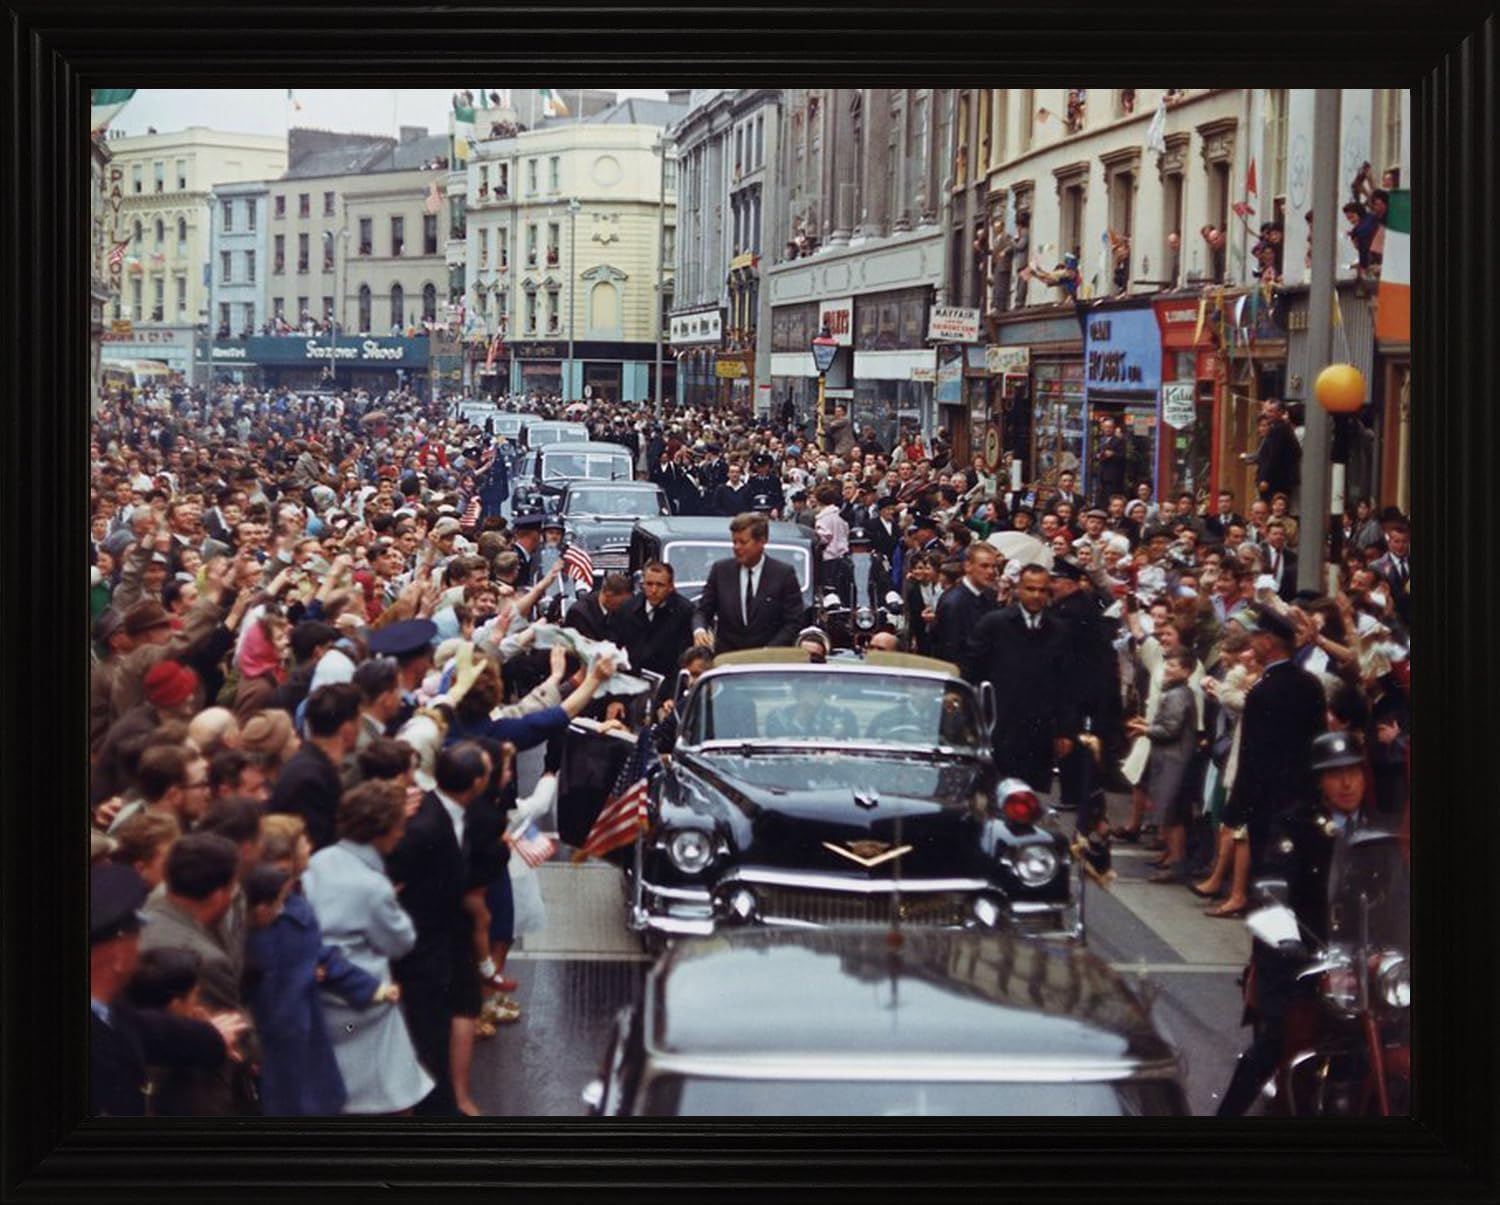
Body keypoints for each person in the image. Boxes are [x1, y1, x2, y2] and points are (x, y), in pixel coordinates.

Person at [302, 781, 434, 1115]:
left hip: (324, 998)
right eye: (398, 827)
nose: (401, 834)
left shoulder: (318, 861)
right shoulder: (373, 886)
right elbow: (401, 941)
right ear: (381, 830)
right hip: (366, 1004)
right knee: (396, 1098)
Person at [383, 741, 493, 1116]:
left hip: (444, 942)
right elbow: (391, 883)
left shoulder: (450, 813)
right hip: (420, 951)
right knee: (427, 1036)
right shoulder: (424, 828)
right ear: (476, 783)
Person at [90, 863, 243, 1117]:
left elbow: (145, 1029)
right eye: (135, 936)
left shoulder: (107, 1007)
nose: (140, 949)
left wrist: (212, 1037)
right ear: (117, 956)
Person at [1204, 606, 1326, 918]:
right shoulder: (1310, 685)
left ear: (1269, 641)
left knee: (1268, 882)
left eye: (1257, 637)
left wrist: (1234, 813)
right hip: (1303, 801)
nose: (1252, 643)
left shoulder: (1263, 691)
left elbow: (1253, 757)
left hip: (1268, 805)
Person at [138, 833, 255, 1114]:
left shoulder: (148, 913)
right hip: (193, 1098)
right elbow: (235, 1041)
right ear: (219, 896)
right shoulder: (207, 961)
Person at [961, 563, 1079, 792]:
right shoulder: (994, 624)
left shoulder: (1060, 631)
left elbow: (1068, 684)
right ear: (1018, 589)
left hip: (1039, 732)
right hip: (999, 728)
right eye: (1030, 589)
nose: (1036, 595)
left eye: (1042, 590)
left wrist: (1066, 730)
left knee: (1028, 799)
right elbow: (971, 672)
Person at [691, 512, 806, 653]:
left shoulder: (783, 574)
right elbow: (703, 610)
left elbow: (794, 621)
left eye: (743, 542)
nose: (737, 547)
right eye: (734, 542)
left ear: (762, 541)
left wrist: (770, 650)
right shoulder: (720, 571)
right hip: (727, 659)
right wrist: (699, 629)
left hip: (768, 659)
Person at [266, 683, 362, 851]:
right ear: (347, 730)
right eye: (360, 720)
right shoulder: (309, 779)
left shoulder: (313, 766)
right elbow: (319, 847)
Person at [614, 560, 696, 681]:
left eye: (660, 585)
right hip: (632, 682)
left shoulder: (684, 612)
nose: (653, 590)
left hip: (668, 682)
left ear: (670, 587)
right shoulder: (627, 609)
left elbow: (684, 659)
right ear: (643, 585)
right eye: (649, 584)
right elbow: (615, 646)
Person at [930, 542, 999, 666]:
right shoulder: (953, 603)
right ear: (968, 566)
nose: (991, 571)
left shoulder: (990, 596)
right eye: (984, 566)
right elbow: (952, 651)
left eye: (994, 567)